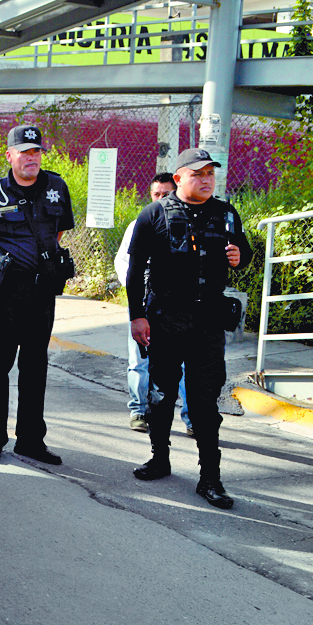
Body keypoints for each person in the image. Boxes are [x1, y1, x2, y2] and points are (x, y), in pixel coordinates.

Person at [125, 147, 253, 509]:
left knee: (204, 401)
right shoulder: (154, 213)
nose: (207, 179)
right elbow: (135, 272)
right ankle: (159, 458)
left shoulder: (226, 213)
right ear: (179, 178)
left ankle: (210, 478)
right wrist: (137, 316)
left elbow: (243, 252)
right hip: (166, 318)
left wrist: (240, 256)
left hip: (208, 321)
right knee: (161, 393)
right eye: (198, 174)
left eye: (211, 173)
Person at [0, 124, 75, 465]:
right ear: (9, 155)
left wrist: (43, 265)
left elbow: (57, 233)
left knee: (35, 368)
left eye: (36, 151)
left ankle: (30, 440)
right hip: (5, 295)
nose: (32, 158)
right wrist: (0, 268)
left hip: (41, 293)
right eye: (24, 152)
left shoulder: (56, 187)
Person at [115, 172, 191, 435]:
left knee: (183, 363)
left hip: (176, 307)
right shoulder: (140, 223)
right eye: (156, 194)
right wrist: (137, 293)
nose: (161, 199)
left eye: (166, 194)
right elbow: (124, 264)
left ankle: (191, 418)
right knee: (139, 361)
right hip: (145, 303)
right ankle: (139, 410)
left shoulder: (187, 224)